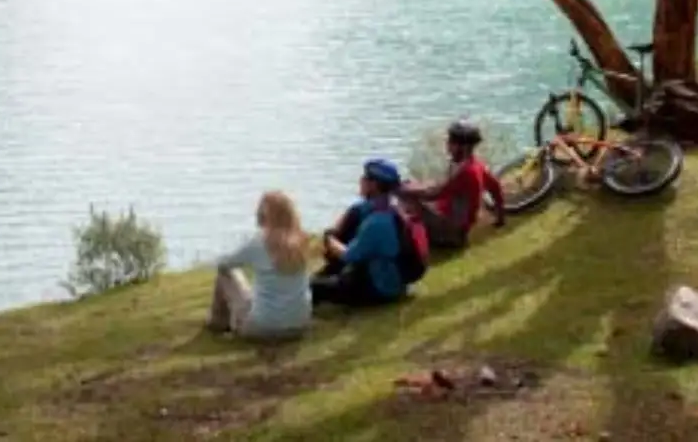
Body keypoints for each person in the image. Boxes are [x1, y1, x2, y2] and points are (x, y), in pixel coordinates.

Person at [208, 191, 312, 339]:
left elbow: (225, 262)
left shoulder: (259, 242)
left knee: (225, 272)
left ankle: (217, 323)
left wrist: (211, 260)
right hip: (299, 326)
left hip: (262, 329)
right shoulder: (302, 239)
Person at [310, 158, 408, 307]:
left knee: (311, 287)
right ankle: (326, 277)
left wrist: (330, 239)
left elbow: (349, 255)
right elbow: (357, 210)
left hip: (379, 288)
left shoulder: (377, 223)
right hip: (391, 277)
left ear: (374, 185)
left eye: (365, 178)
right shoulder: (391, 206)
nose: (360, 180)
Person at [398, 119, 506, 250]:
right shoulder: (476, 165)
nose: (447, 145)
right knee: (409, 185)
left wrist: (402, 190)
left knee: (405, 198)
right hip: (451, 222)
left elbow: (433, 194)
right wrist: (500, 217)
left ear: (464, 147)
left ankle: (408, 241)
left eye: (451, 142)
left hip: (451, 233)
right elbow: (495, 187)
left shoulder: (465, 172)